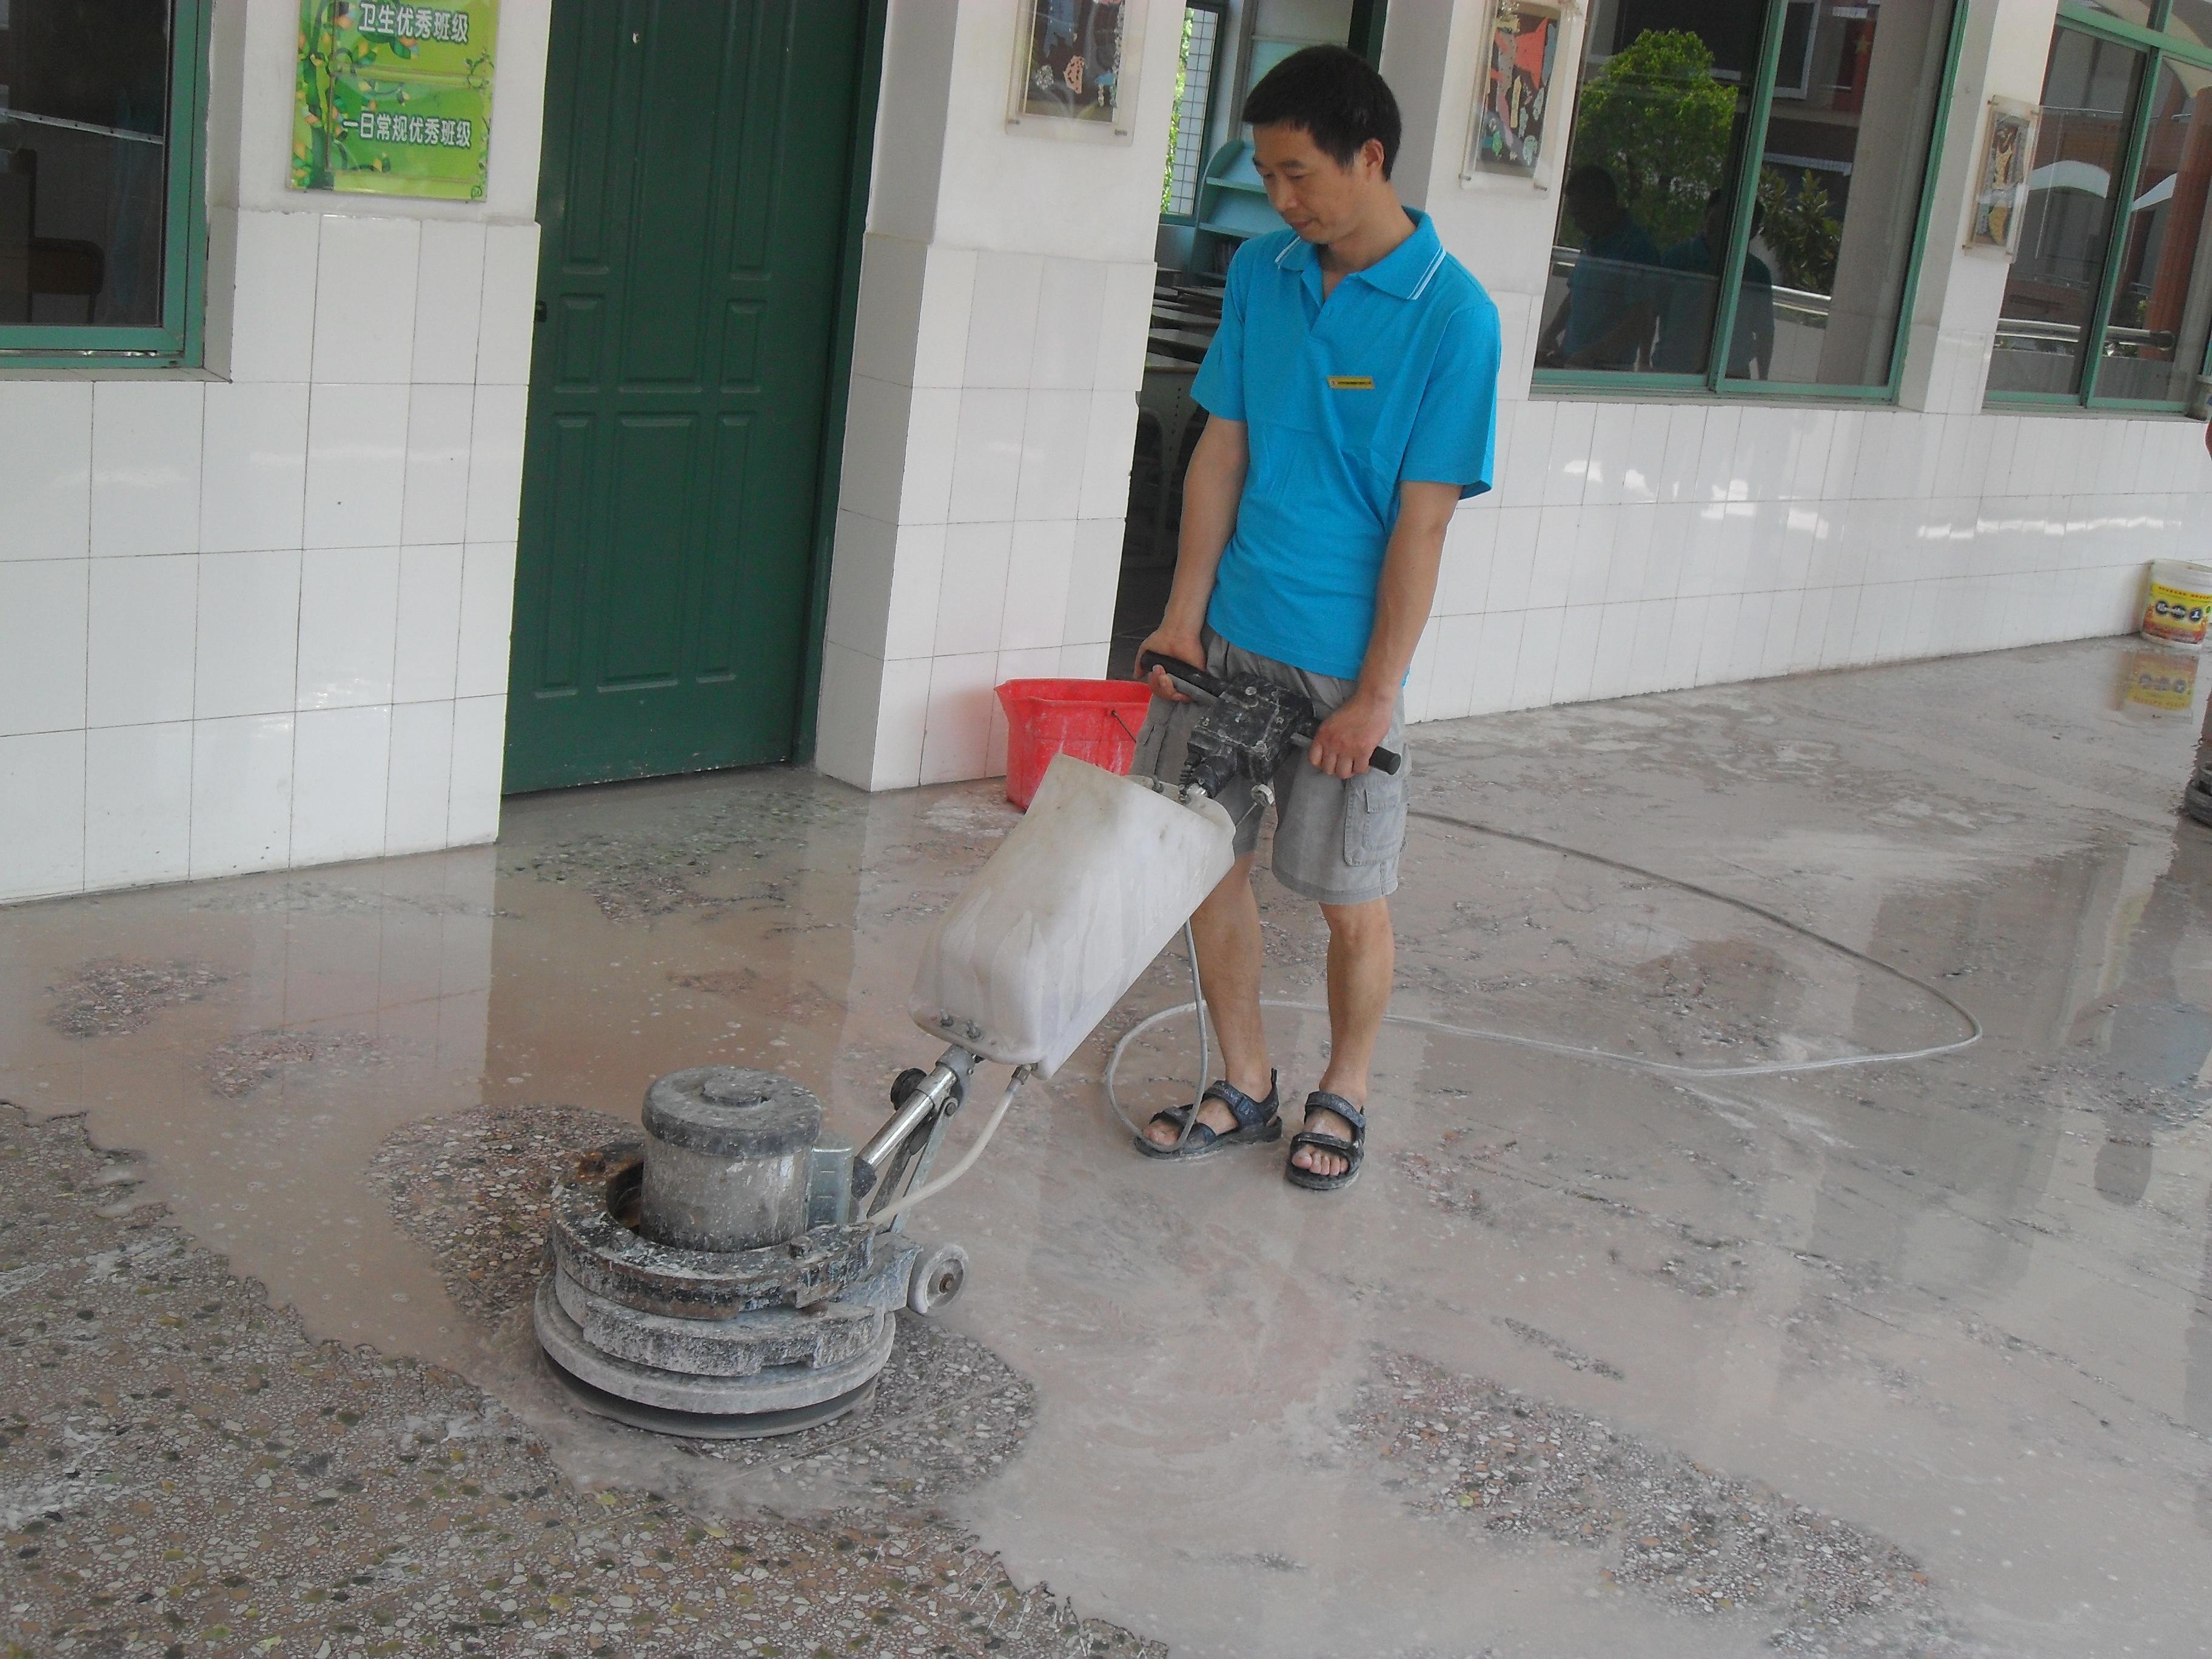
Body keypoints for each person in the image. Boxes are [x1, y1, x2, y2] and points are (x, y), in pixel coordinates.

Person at [1132, 45, 1500, 1192]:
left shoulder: (1454, 317)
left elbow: (1422, 526)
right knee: (1203, 867)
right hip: (1231, 633)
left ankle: (1344, 1089)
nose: (1280, 198)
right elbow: (1221, 449)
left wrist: (1376, 695)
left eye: (1298, 173)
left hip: (1344, 666)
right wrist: (1182, 618)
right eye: (1267, 175)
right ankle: (1245, 1083)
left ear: (1369, 156)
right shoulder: (1264, 273)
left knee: (1349, 900)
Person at [1535, 164, 1661, 370]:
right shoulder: (1591, 240)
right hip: (1570, 359)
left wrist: (1592, 355)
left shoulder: (1638, 249)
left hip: (1605, 370)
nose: (1576, 222)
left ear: (1604, 205)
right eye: (1573, 215)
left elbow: (1640, 319)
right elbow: (1575, 294)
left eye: (1581, 214)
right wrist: (1551, 333)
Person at [1654, 191, 1774, 380]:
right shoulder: (1677, 259)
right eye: (1714, 222)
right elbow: (1649, 312)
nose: (1721, 230)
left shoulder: (1757, 273)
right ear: (1705, 217)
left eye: (1733, 225)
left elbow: (1765, 331)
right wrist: (1644, 361)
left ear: (1752, 232)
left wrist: (1763, 380)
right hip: (1674, 370)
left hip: (1731, 375)